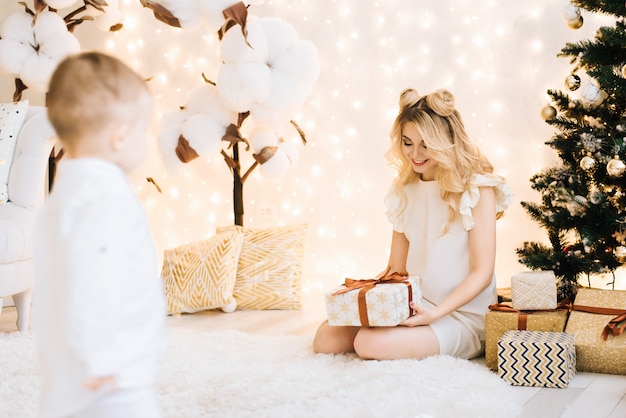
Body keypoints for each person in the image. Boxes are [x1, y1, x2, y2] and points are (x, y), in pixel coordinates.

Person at [313, 88, 513, 360]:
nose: (415, 154)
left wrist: (434, 313)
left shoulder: (478, 189)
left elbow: (482, 273)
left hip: (459, 315)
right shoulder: (404, 190)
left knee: (369, 344)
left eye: (426, 144)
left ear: (445, 141)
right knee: (326, 339)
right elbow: (397, 269)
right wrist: (364, 301)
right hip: (415, 304)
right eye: (408, 143)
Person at [32, 51, 168, 418]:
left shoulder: (61, 198)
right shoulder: (106, 197)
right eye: (144, 129)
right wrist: (101, 355)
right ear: (120, 137)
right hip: (114, 379)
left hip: (67, 373)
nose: (146, 139)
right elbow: (92, 273)